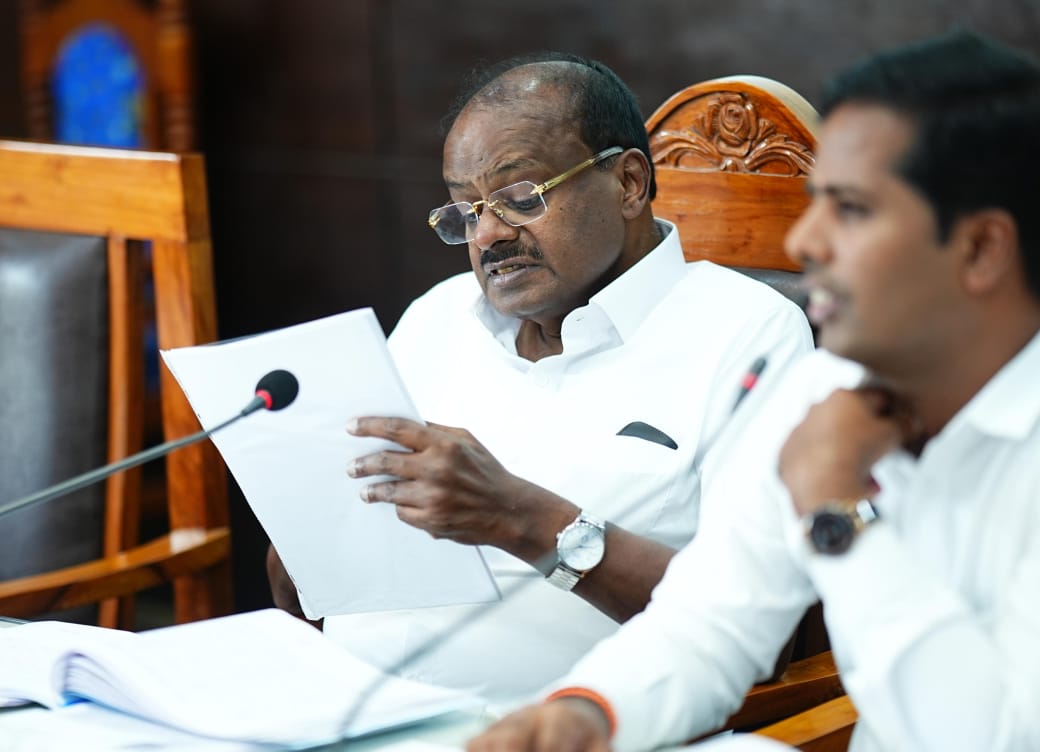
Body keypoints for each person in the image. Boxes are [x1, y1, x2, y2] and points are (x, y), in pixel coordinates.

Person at [468, 30, 1040, 751]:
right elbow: (710, 621)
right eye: (816, 201)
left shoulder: (834, 441)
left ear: (981, 248)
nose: (805, 242)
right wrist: (590, 713)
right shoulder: (834, 386)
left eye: (851, 210)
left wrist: (835, 511)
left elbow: (996, 736)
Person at [266, 52, 813, 704]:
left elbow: (760, 630)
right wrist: (304, 537)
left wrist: (522, 519)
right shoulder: (437, 316)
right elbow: (309, 584)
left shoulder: (747, 333)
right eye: (465, 212)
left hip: (559, 727)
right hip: (341, 705)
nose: (487, 236)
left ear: (629, 183)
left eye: (520, 198)